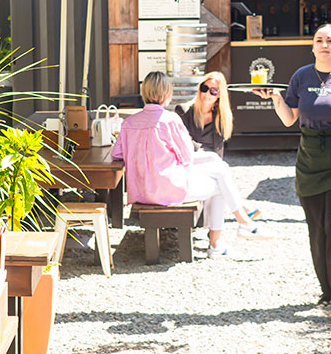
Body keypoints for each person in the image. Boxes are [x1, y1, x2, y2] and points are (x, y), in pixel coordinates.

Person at [255, 24, 331, 317]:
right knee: (318, 230)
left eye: (330, 40)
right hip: (310, 158)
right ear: (312, 47)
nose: (324, 44)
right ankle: (326, 290)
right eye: (318, 40)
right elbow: (289, 119)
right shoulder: (301, 77)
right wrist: (275, 99)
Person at [113, 71, 264, 259]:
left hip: (141, 192)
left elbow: (117, 154)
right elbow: (186, 157)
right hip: (168, 191)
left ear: (144, 92)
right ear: (167, 93)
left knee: (219, 167)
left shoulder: (128, 123)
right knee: (220, 185)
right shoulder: (170, 120)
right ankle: (228, 235)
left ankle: (241, 224)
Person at [175, 70, 263, 222]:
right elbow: (184, 145)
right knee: (217, 169)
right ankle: (242, 209)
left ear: (220, 95)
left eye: (213, 91)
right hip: (190, 163)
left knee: (217, 170)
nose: (207, 94)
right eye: (204, 88)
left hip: (211, 166)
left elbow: (218, 150)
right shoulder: (183, 111)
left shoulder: (220, 117)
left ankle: (215, 234)